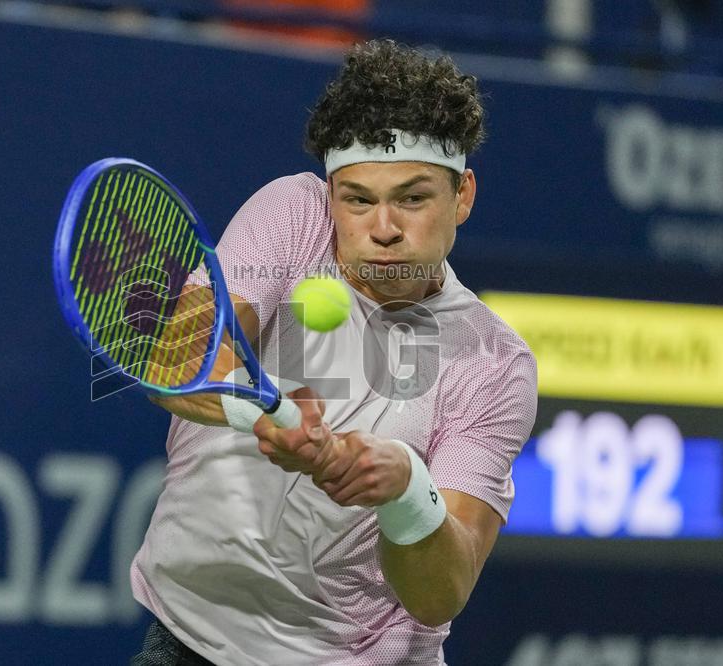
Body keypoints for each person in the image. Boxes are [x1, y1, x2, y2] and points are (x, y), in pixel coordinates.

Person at [130, 39, 537, 665]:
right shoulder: (293, 215)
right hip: (185, 640)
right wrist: (260, 410)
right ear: (331, 196)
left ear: (463, 196)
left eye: (412, 197)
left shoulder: (494, 364)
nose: (383, 227)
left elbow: (443, 592)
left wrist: (405, 489)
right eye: (358, 199)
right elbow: (174, 365)